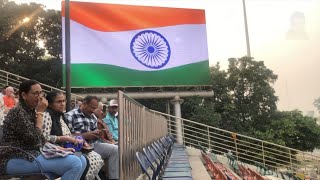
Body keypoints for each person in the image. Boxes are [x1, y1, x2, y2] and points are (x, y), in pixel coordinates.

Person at [0, 80, 86, 180]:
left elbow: (41, 139)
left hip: (33, 154)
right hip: (15, 157)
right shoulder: (18, 112)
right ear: (24, 95)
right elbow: (35, 140)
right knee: (74, 163)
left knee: (81, 159)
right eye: (35, 93)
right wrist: (40, 113)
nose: (40, 97)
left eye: (41, 93)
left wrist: (59, 149)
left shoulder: (30, 111)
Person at [43, 91, 104, 180]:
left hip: (69, 147)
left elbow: (69, 134)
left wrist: (80, 140)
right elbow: (43, 138)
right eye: (59, 101)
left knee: (90, 158)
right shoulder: (47, 115)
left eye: (64, 101)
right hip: (54, 150)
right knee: (83, 159)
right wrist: (67, 139)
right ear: (50, 104)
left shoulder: (60, 116)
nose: (63, 104)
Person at [65, 96, 119, 180]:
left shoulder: (93, 117)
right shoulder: (70, 115)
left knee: (115, 149)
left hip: (91, 145)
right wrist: (85, 135)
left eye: (95, 108)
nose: (93, 111)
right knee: (80, 160)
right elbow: (66, 136)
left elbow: (95, 134)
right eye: (92, 108)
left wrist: (97, 134)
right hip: (76, 148)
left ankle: (114, 178)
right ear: (84, 103)